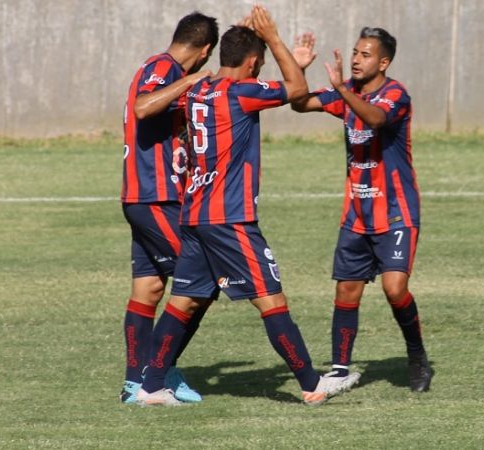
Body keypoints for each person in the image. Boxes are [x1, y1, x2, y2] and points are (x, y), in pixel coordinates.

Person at [136, 5, 361, 407]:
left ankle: (151, 386)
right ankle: (311, 384)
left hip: (194, 214)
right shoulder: (242, 93)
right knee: (271, 300)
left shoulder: (197, 90)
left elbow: (278, 79)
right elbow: (294, 91)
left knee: (184, 300)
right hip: (230, 218)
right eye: (259, 64)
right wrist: (275, 38)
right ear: (254, 63)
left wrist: (267, 50)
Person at [290, 27, 432, 391]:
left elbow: (375, 119)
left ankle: (417, 356)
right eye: (355, 52)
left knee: (395, 289)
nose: (355, 59)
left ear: (383, 62)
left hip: (397, 211)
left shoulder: (395, 95)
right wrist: (300, 68)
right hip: (357, 213)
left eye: (365, 54)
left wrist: (339, 90)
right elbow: (301, 103)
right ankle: (339, 370)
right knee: (346, 292)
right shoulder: (349, 93)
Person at [120, 11, 219, 404]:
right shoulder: (163, 67)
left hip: (144, 196)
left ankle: (135, 382)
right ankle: (158, 372)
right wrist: (189, 80)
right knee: (202, 282)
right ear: (205, 50)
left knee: (150, 288)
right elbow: (144, 107)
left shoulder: (161, 69)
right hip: (155, 195)